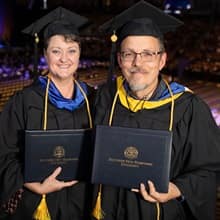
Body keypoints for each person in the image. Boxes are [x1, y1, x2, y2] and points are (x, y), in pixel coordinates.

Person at [92, 1, 220, 220]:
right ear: (119, 60)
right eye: (128, 54)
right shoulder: (104, 98)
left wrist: (177, 189)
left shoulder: (189, 109)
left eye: (147, 54)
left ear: (162, 60)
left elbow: (210, 170)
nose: (137, 63)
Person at [0, 7, 94, 220]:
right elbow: (3, 152)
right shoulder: (24, 101)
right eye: (56, 51)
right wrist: (30, 183)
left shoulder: (94, 100)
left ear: (80, 53)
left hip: (82, 202)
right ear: (45, 54)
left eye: (71, 50)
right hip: (36, 204)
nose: (64, 59)